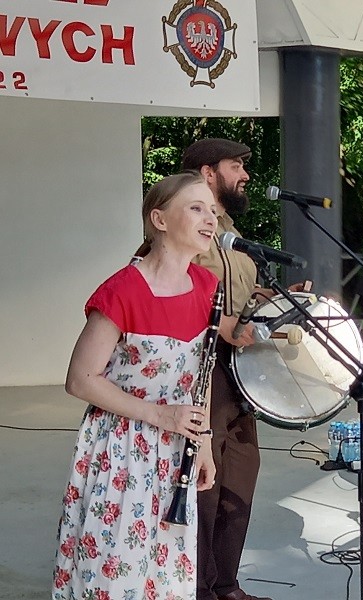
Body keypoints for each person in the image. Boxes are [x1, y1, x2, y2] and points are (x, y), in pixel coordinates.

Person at [53, 172, 220, 600]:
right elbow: (80, 379)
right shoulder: (123, 290)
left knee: (166, 574)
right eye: (196, 208)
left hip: (176, 447)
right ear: (159, 219)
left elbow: (200, 375)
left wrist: (202, 440)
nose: (210, 219)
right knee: (114, 570)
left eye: (212, 210)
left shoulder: (207, 287)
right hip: (122, 448)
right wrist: (161, 415)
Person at [181, 138, 277, 600]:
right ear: (208, 172)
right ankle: (198, 588)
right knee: (206, 479)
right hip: (200, 366)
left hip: (241, 367)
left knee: (241, 469)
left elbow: (232, 292)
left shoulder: (230, 231)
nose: (245, 174)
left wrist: (269, 299)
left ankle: (226, 584)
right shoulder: (182, 225)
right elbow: (170, 286)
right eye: (235, 165)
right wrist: (222, 324)